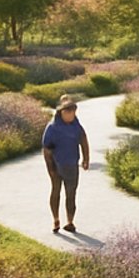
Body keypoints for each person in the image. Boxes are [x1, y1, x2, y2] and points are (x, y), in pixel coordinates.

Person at [41, 96, 91, 234]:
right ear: (61, 112)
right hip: (56, 165)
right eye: (68, 113)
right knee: (56, 190)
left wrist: (86, 159)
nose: (71, 115)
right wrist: (51, 169)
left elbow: (83, 140)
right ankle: (56, 219)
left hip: (72, 165)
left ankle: (70, 222)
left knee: (71, 194)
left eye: (73, 112)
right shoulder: (53, 128)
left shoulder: (76, 125)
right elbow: (47, 150)